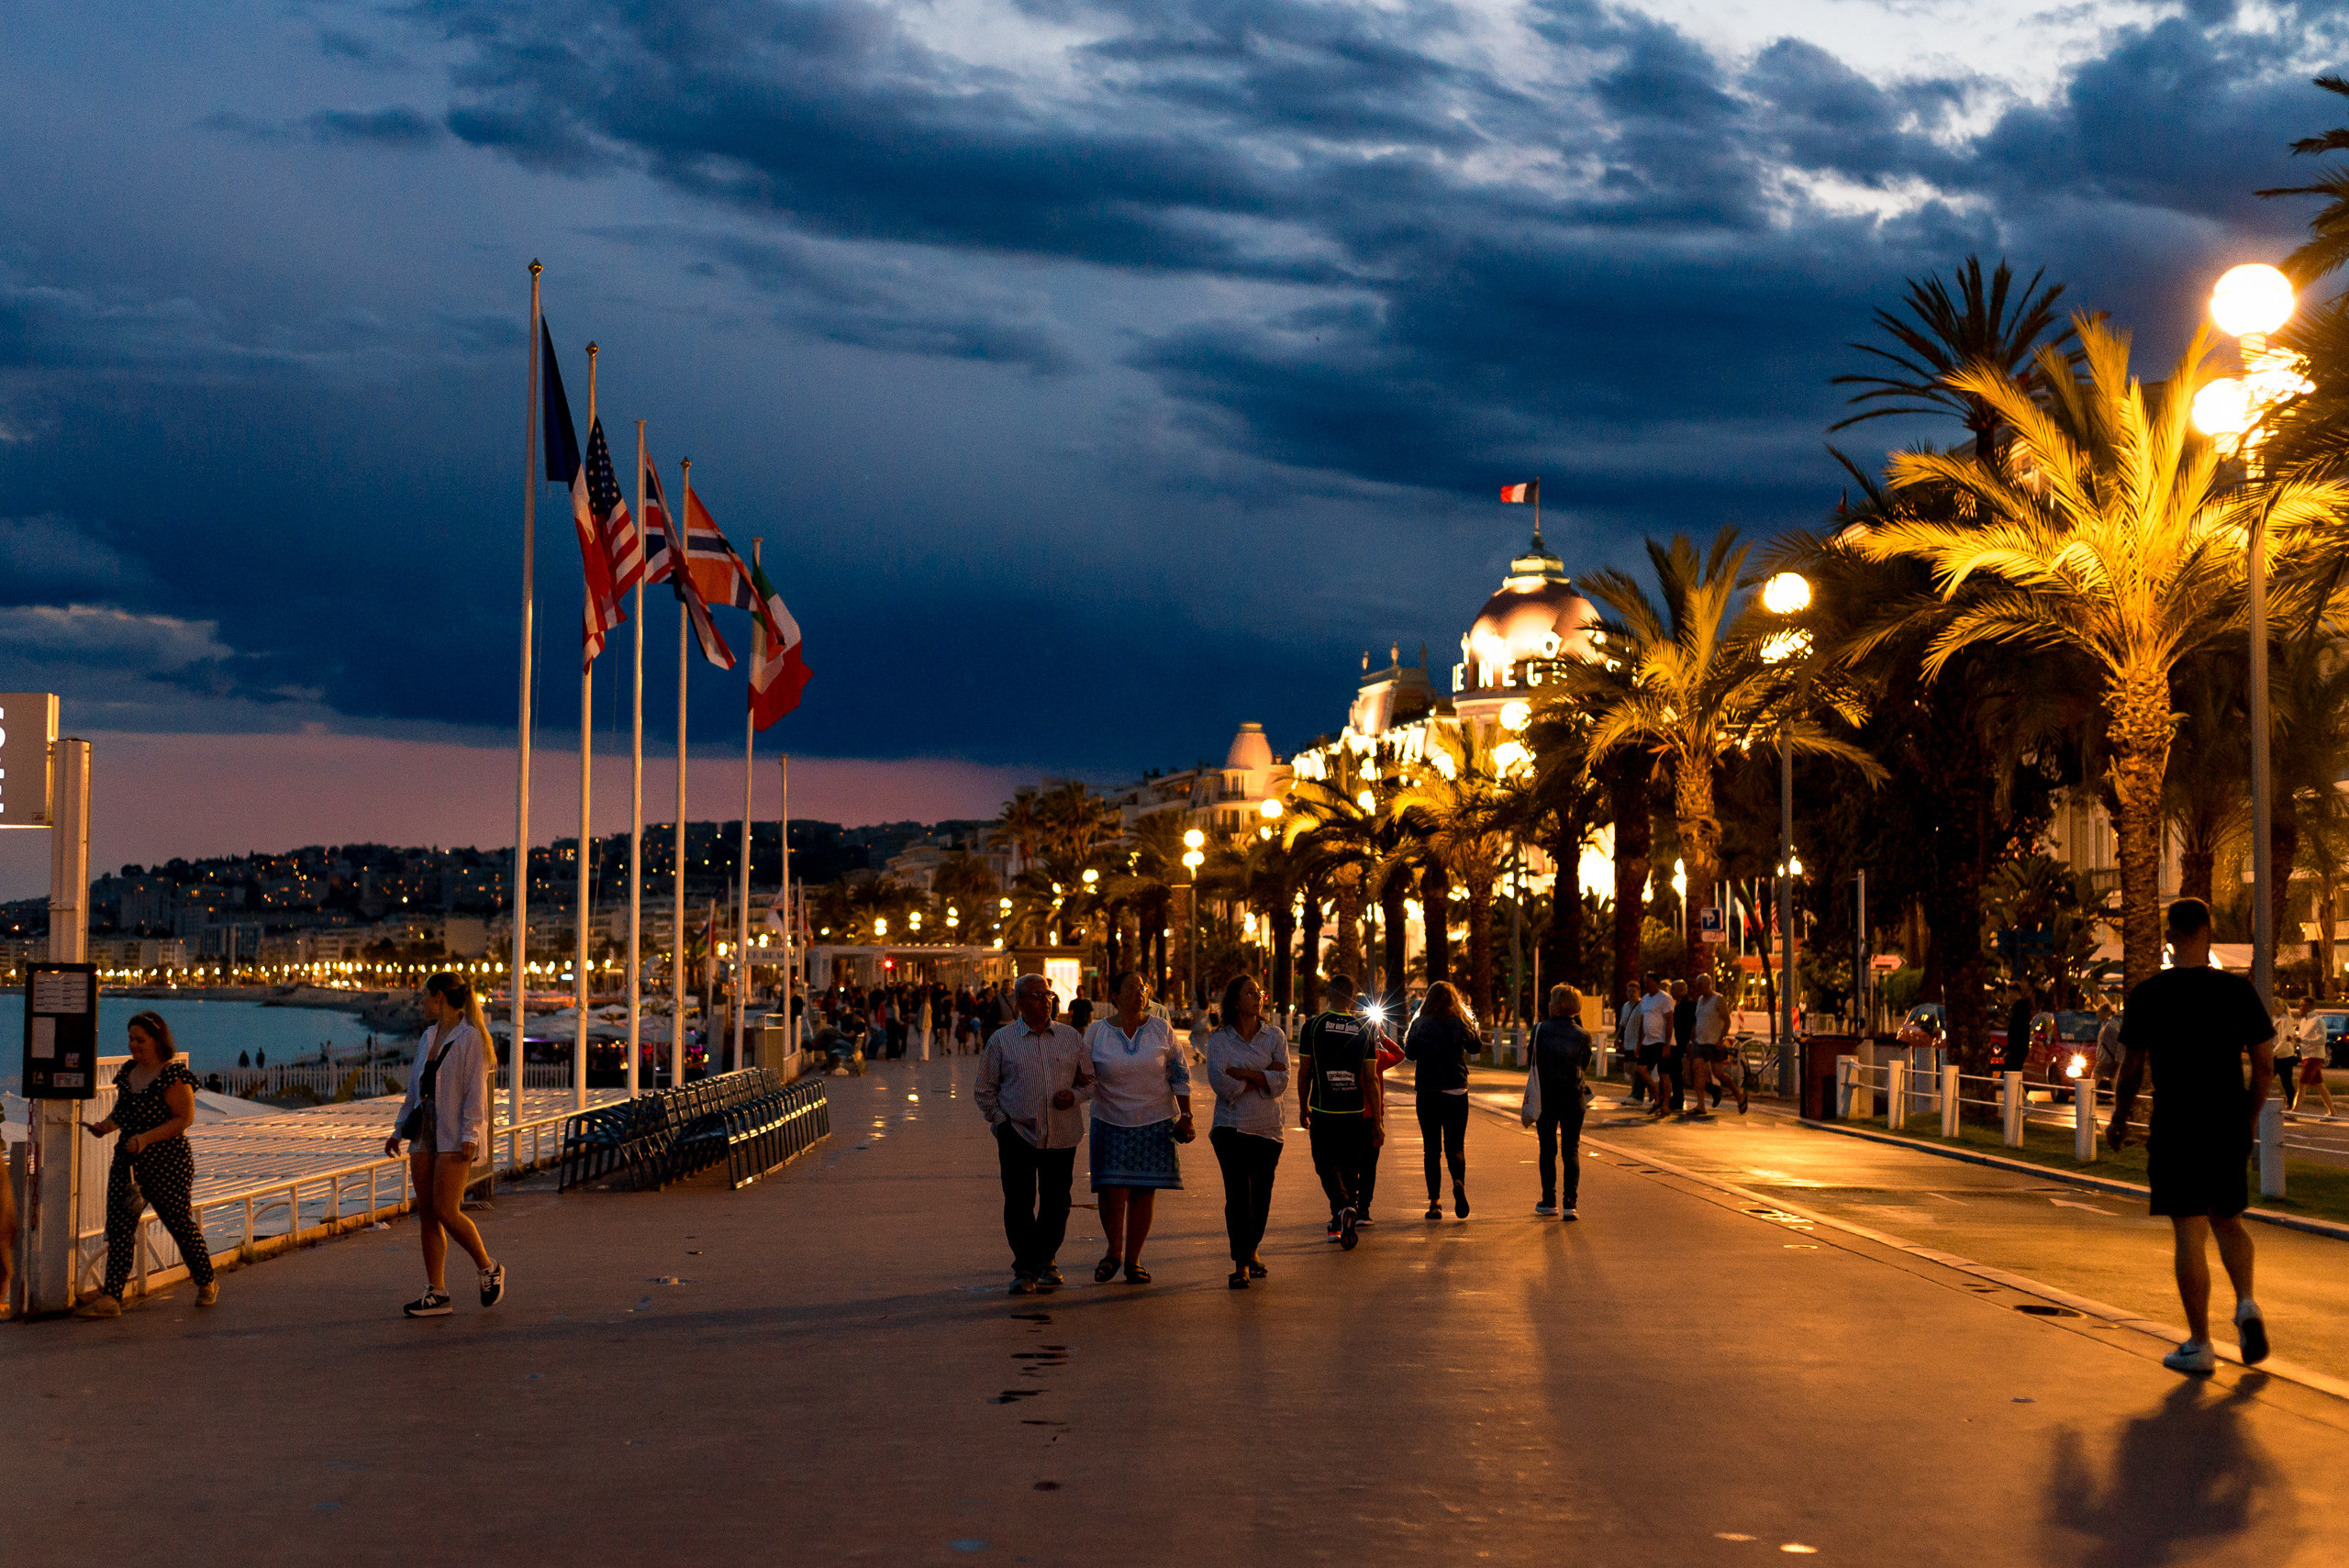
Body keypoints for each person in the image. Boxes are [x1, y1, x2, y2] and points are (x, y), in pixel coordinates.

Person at [2108, 898, 2275, 1375]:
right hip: (2226, 1123)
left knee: (2189, 1231)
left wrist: (2119, 1119)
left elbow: (2132, 1066)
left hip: (2177, 1124)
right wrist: (2247, 1117)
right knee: (2229, 1220)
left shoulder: (2149, 995)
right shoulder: (2237, 992)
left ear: (2170, 934)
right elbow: (2264, 1067)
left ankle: (2201, 1344)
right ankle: (2246, 1305)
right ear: (2209, 931)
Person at [74, 1011, 218, 1317]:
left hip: (168, 1163)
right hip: (129, 1164)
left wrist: (146, 1138)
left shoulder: (172, 1075)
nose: (134, 1045)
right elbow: (123, 1113)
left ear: (157, 1041)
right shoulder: (129, 1073)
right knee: (120, 1228)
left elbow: (184, 1119)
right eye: (131, 1039)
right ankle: (112, 1296)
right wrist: (106, 1126)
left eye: (140, 1039)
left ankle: (206, 1281)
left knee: (178, 1223)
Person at [382, 973, 505, 1318]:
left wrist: (471, 1135)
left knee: (447, 1210)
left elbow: (475, 1092)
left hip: (453, 1134)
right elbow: (414, 1088)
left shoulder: (471, 1038)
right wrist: (397, 1130)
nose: (421, 1003)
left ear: (438, 997)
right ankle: (437, 1292)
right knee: (427, 1214)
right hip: (424, 1132)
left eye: (425, 996)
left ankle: (488, 1267)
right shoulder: (427, 1037)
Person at [976, 973, 1094, 1295]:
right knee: (1019, 1201)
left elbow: (1092, 1080)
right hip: (1018, 1133)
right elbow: (984, 1090)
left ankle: (1047, 1260)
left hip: (1061, 1134)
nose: (1045, 1000)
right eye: (1036, 995)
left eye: (1048, 994)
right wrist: (1001, 1123)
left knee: (1057, 1201)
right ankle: (1025, 1267)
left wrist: (1077, 1096)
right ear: (1020, 1003)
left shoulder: (1070, 1037)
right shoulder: (1002, 1041)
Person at [1084, 971, 1191, 1284]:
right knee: (1111, 1189)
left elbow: (1180, 1074)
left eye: (1143, 987)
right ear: (1114, 996)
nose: (1139, 993)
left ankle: (1134, 1260)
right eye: (1131, 987)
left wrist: (1186, 1116)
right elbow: (1084, 1073)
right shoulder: (1097, 1032)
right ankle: (1113, 1252)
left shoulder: (1161, 1029)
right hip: (1109, 1118)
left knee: (1144, 1191)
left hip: (1154, 1119)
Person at [1205, 973, 1289, 1289]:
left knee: (1262, 1196)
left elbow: (1283, 1080)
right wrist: (1262, 1076)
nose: (1257, 997)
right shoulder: (1220, 1039)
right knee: (1239, 1196)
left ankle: (1252, 1250)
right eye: (1250, 993)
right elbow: (1222, 1084)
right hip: (1231, 1129)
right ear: (1236, 1001)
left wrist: (1243, 1071)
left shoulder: (1275, 1036)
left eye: (1260, 992)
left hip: (1269, 1130)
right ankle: (1240, 1264)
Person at [1297, 972, 1384, 1250]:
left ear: (1328, 995)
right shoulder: (1365, 1028)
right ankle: (1340, 1217)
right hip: (1355, 1111)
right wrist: (1378, 1121)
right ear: (1351, 998)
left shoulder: (1314, 1025)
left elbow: (1305, 1071)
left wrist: (1302, 1106)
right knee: (1349, 1166)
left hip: (1324, 1108)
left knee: (1324, 1163)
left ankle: (1342, 1208)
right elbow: (1370, 1078)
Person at [1404, 980, 1476, 1219]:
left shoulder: (1421, 1023)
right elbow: (1476, 1047)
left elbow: (1410, 1054)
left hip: (1428, 1091)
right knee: (1456, 1146)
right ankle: (1458, 1182)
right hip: (1456, 1090)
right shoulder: (1460, 1022)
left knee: (1431, 1148)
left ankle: (1434, 1202)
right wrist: (1468, 1022)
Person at [1530, 984, 1593, 1218]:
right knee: (1571, 1149)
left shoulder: (1539, 1030)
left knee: (1547, 1149)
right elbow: (1584, 1066)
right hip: (1574, 1097)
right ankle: (1570, 1203)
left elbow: (1531, 1062)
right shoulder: (1583, 1035)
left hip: (1546, 1097)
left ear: (1554, 1004)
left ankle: (1549, 1200)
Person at [1687, 973, 1744, 1115]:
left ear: (1709, 984)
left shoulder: (1718, 999)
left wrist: (1721, 1039)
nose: (1699, 987)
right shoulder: (1700, 1000)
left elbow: (1727, 1021)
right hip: (1700, 1042)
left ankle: (1739, 1094)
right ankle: (1701, 1105)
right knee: (1697, 1071)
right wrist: (1692, 1038)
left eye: (1701, 984)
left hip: (1714, 1042)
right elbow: (1698, 1020)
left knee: (1718, 1073)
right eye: (1697, 985)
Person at [1631, 973, 1672, 1120]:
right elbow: (1642, 1023)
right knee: (1641, 1069)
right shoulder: (1645, 1000)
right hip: (1647, 1042)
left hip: (1660, 1041)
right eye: (1644, 982)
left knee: (1663, 1074)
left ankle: (1666, 1104)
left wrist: (1667, 1043)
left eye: (1648, 982)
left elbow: (1669, 1020)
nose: (1646, 985)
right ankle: (1657, 1096)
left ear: (1656, 982)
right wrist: (1639, 1044)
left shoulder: (1664, 998)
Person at [2291, 999, 2334, 1118]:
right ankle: (2333, 1112)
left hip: (2314, 1057)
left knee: (2302, 1083)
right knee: (2320, 1086)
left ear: (2309, 1006)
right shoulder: (2303, 1021)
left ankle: (2295, 1112)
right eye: (2299, 1005)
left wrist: (2303, 1041)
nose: (2300, 1008)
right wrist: (2294, 1041)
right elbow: (2301, 1038)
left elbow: (2322, 1040)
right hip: (2306, 1056)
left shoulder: (2318, 1021)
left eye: (2302, 1006)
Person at [2001, 984, 2035, 1073]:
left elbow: (2017, 1031)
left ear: (2016, 993)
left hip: (2017, 1050)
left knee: (2009, 1074)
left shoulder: (2020, 1010)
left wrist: (2011, 1049)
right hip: (2017, 1050)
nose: (2008, 996)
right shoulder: (2020, 1008)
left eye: (2010, 992)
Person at [2093, 1002, 2123, 1090]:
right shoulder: (2107, 1025)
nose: (2097, 1014)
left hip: (2105, 1060)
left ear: (2103, 1012)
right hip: (2107, 1059)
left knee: (2093, 1082)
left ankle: (2088, 1101)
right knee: (2114, 1083)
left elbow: (2118, 1042)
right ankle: (2118, 1101)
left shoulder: (2110, 1026)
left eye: (2099, 1012)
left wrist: (2118, 1058)